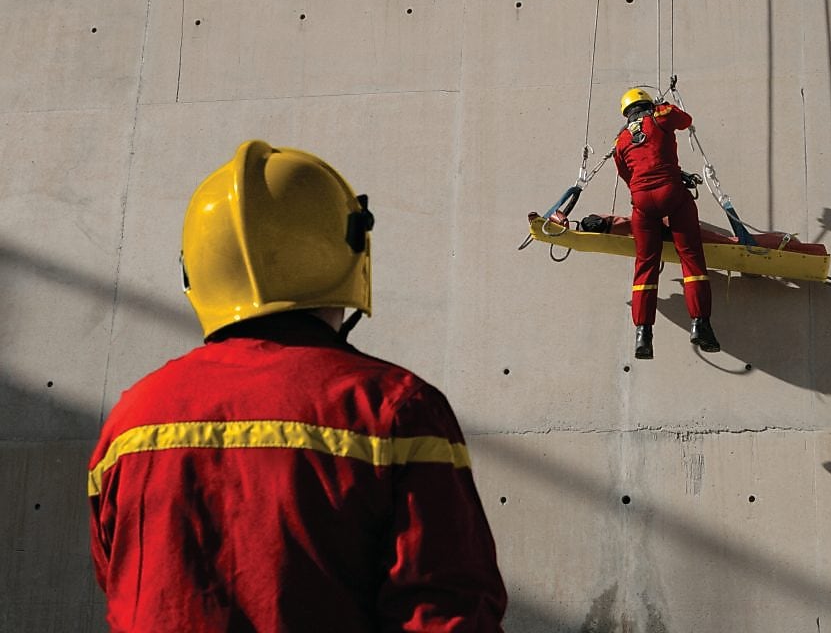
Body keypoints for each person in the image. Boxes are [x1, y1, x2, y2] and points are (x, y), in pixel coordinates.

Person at [87, 140, 507, 632]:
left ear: (193, 269)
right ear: (349, 247)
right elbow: (446, 614)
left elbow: (122, 587)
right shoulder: (395, 410)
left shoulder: (131, 422)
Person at [611, 88, 720, 359]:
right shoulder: (662, 115)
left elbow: (626, 174)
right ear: (648, 103)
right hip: (672, 193)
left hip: (642, 202)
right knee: (691, 257)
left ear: (626, 113)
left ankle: (643, 335)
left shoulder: (621, 139)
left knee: (645, 266)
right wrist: (664, 105)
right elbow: (685, 119)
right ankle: (700, 325)